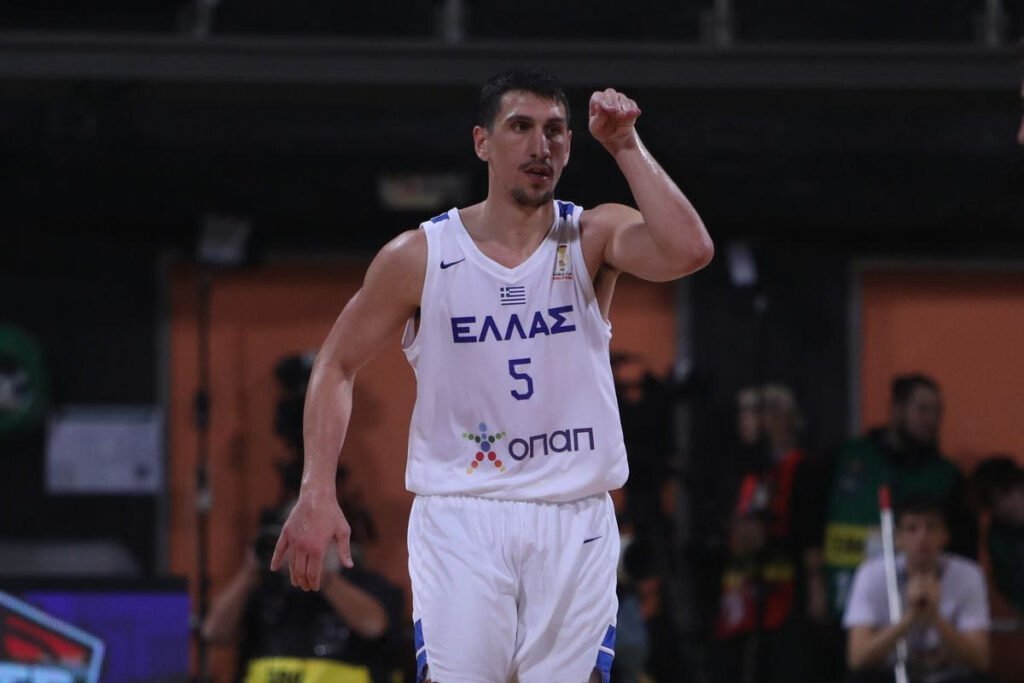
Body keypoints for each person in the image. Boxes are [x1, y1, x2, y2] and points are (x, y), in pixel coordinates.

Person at [270, 66, 714, 683]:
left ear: (569, 145)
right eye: (521, 127)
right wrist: (317, 489)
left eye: (555, 131)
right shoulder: (421, 255)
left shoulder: (591, 235)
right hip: (462, 515)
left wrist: (625, 145)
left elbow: (691, 250)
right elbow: (336, 363)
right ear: (482, 141)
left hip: (574, 514)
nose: (540, 146)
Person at [203, 459, 403, 683]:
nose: (300, 546)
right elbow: (213, 631)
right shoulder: (266, 589)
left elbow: (375, 626)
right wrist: (250, 572)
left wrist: (320, 576)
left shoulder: (365, 583)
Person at [823, 374, 977, 623]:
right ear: (897, 409)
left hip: (912, 608)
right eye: (923, 410)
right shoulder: (849, 457)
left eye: (937, 412)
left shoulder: (946, 475)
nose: (932, 420)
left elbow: (963, 550)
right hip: (842, 594)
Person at [713, 384, 827, 683]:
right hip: (742, 593)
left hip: (786, 592)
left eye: (756, 413)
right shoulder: (743, 468)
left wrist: (816, 585)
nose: (748, 421)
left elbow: (811, 532)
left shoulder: (803, 468)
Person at [843, 496, 992, 683]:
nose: (922, 537)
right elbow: (857, 659)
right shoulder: (872, 573)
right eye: (912, 528)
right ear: (897, 538)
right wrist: (911, 617)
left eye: (931, 528)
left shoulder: (969, 574)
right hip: (891, 674)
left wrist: (935, 617)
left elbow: (981, 661)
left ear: (945, 535)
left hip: (950, 676)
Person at [969, 455, 1024, 616]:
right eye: (995, 501)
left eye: (1008, 492)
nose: (1007, 505)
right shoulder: (997, 538)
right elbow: (1008, 584)